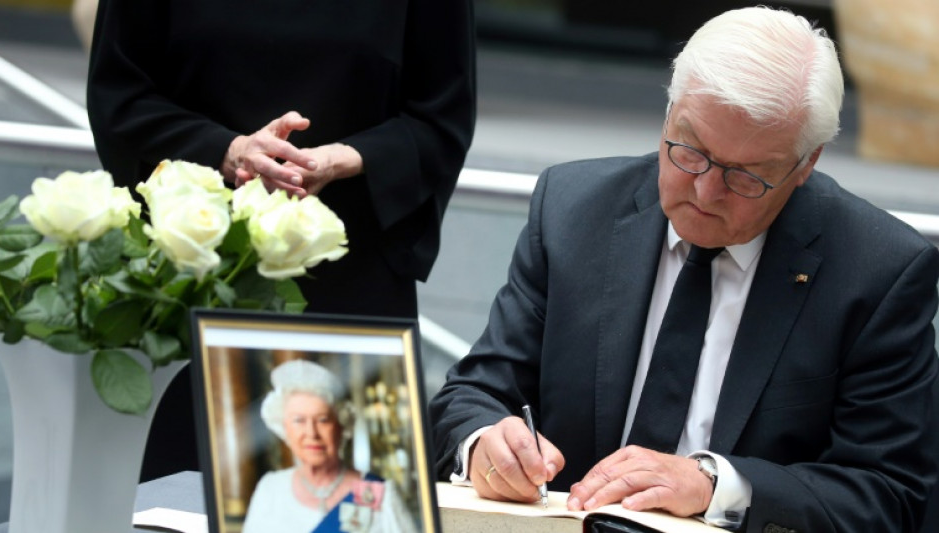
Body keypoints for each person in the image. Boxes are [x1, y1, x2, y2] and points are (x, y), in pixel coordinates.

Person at [429, 7, 939, 533]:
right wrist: (485, 443)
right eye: (690, 151)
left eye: (745, 177)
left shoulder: (877, 270)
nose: (704, 191)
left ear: (806, 163)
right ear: (669, 113)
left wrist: (716, 486)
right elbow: (472, 394)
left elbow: (889, 494)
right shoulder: (573, 210)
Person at [85, 0, 476, 479]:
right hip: (184, 277)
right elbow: (119, 96)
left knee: (349, 511)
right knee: (170, 501)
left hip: (349, 286)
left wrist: (343, 159)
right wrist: (228, 152)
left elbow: (441, 119)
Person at [244, 359, 415, 533]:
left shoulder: (378, 492)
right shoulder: (271, 489)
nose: (311, 433)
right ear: (284, 428)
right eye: (299, 420)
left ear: (342, 425)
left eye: (322, 420)